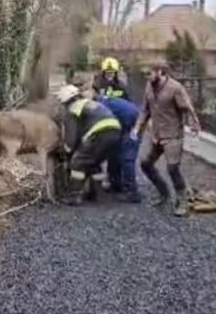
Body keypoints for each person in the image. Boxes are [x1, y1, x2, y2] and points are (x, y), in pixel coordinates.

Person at [132, 63, 201, 217]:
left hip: (173, 136)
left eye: (149, 74)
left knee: (172, 169)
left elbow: (187, 107)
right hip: (156, 136)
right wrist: (137, 128)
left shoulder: (175, 88)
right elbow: (145, 110)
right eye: (145, 75)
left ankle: (182, 201)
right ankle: (164, 193)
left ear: (160, 72)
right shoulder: (149, 87)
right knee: (145, 164)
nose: (147, 77)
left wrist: (194, 123)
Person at [56, 84, 122, 205]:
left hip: (100, 133)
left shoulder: (73, 109)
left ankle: (74, 196)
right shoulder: (89, 103)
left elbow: (71, 136)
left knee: (78, 162)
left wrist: (66, 150)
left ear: (66, 100)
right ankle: (97, 194)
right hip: (115, 132)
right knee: (94, 163)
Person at [91, 91, 141, 203]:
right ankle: (116, 184)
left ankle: (132, 192)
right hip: (122, 124)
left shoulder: (101, 106)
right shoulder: (104, 101)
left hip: (131, 125)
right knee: (113, 154)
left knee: (126, 158)